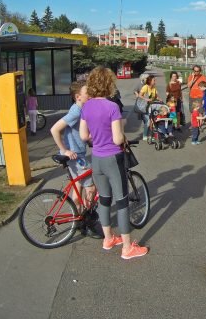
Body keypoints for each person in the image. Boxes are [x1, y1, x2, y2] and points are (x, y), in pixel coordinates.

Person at [79, 66, 148, 260]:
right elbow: (118, 139)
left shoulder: (87, 106)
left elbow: (84, 135)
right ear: (109, 83)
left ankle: (108, 238)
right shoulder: (112, 107)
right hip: (113, 158)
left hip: (97, 158)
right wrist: (120, 130)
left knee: (104, 199)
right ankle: (127, 248)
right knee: (122, 201)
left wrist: (98, 136)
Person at [50, 81, 96, 211]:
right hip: (75, 156)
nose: (91, 95)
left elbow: (78, 132)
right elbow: (54, 130)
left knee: (78, 187)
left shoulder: (80, 109)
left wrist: (89, 141)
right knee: (91, 188)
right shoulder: (76, 112)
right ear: (78, 97)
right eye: (88, 93)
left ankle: (78, 218)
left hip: (77, 153)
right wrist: (65, 150)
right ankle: (88, 217)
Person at [138, 75, 159, 141]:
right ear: (150, 81)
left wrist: (159, 99)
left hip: (152, 107)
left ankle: (151, 135)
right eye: (154, 80)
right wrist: (146, 99)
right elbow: (140, 95)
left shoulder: (154, 88)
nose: (155, 81)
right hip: (145, 107)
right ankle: (145, 135)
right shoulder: (145, 87)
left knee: (153, 122)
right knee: (148, 122)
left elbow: (156, 97)